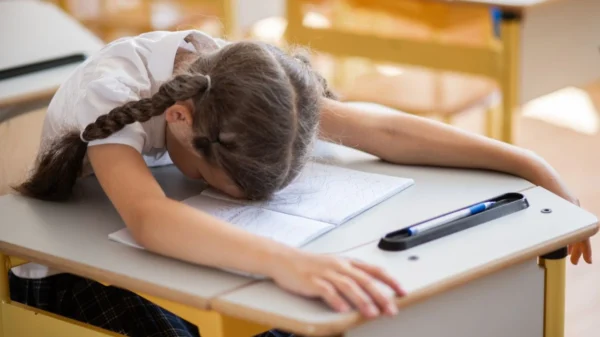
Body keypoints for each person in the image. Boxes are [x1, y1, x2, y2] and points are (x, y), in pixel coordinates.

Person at [10, 29, 592, 337]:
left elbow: (383, 128)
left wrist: (527, 162)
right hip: (65, 277)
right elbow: (149, 217)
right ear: (180, 121)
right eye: (223, 183)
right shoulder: (112, 92)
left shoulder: (238, 76)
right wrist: (288, 262)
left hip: (181, 264)